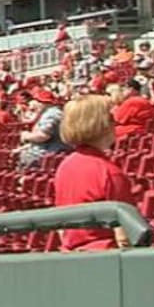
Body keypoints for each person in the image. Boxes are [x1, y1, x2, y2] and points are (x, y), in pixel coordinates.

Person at [54, 95, 136, 251]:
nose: (115, 123)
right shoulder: (108, 171)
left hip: (72, 253)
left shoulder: (66, 165)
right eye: (111, 118)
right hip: (105, 257)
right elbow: (125, 235)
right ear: (101, 125)